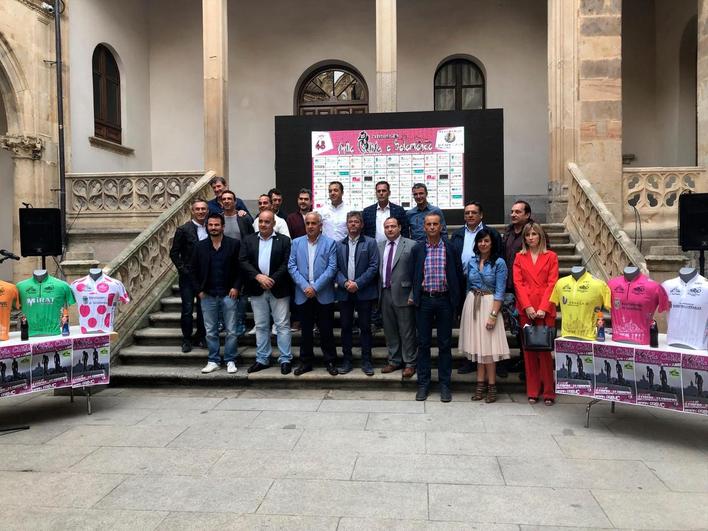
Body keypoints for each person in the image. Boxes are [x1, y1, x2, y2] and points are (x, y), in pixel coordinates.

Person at [409, 213, 464, 402]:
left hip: (444, 302)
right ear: (424, 227)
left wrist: (456, 301)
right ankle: (423, 384)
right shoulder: (417, 249)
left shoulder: (450, 247)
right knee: (423, 344)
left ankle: (445, 385)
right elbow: (413, 274)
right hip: (424, 301)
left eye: (435, 224)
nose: (432, 227)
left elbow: (458, 274)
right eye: (428, 224)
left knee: (445, 344)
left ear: (441, 227)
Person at [458, 229, 510, 403]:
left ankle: (492, 387)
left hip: (489, 305)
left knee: (489, 349)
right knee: (479, 349)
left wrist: (494, 315)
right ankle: (479, 386)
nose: (483, 244)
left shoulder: (499, 263)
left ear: (492, 243)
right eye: (480, 241)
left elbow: (500, 291)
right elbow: (468, 285)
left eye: (486, 241)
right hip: (473, 303)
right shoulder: (472, 261)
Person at [239, 210, 293, 374]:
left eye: (267, 222)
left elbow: (286, 263)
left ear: (274, 224)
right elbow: (242, 261)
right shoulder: (248, 240)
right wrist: (258, 277)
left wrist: (271, 279)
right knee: (261, 326)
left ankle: (285, 359)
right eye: (261, 221)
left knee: (282, 325)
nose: (263, 224)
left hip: (279, 288)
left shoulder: (284, 241)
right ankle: (262, 359)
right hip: (256, 288)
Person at [451, 201, 502, 375]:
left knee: (488, 331)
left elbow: (498, 260)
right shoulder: (457, 234)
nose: (470, 215)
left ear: (481, 215)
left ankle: (494, 363)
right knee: (471, 327)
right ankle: (470, 360)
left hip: (488, 288)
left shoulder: (492, 233)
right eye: (467, 213)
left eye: (473, 213)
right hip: (465, 283)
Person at [288, 212, 339, 376]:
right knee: (306, 332)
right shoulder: (296, 243)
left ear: (320, 225)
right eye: (308, 223)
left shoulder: (330, 243)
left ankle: (330, 361)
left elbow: (332, 269)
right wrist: (305, 287)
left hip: (323, 294)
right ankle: (305, 362)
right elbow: (292, 266)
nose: (310, 226)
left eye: (313, 223)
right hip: (303, 294)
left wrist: (315, 287)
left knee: (326, 331)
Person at [513, 223, 558, 406]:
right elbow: (518, 283)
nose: (531, 237)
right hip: (527, 310)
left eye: (534, 234)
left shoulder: (551, 256)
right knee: (529, 353)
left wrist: (543, 308)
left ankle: (548, 391)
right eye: (527, 235)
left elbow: (552, 282)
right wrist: (527, 307)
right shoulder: (519, 257)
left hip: (545, 310)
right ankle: (532, 390)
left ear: (540, 236)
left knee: (545, 353)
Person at [192, 212, 242, 374]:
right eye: (211, 225)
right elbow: (192, 271)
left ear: (223, 226)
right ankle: (213, 360)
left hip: (229, 293)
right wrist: (198, 290)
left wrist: (236, 287)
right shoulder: (200, 246)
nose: (213, 228)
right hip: (208, 294)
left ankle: (230, 360)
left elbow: (240, 268)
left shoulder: (234, 244)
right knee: (211, 331)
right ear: (207, 226)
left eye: (216, 225)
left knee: (232, 330)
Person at [335, 211, 379, 375]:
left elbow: (374, 266)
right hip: (344, 292)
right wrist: (345, 283)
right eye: (350, 222)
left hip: (364, 292)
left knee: (365, 328)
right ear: (346, 225)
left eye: (356, 222)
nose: (353, 224)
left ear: (361, 225)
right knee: (345, 327)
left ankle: (366, 361)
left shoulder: (370, 243)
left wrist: (357, 283)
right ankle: (347, 360)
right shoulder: (338, 244)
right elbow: (335, 268)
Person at [379, 216, 417, 377]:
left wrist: (413, 293)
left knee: (406, 330)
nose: (390, 229)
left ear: (400, 227)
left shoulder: (411, 245)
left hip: (404, 294)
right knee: (390, 330)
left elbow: (417, 272)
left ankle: (410, 362)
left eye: (393, 226)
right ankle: (394, 360)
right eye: (387, 227)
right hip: (385, 293)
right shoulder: (379, 246)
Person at [500, 199, 534, 378]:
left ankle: (528, 363)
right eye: (512, 211)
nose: (513, 214)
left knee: (527, 327)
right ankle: (522, 359)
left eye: (517, 212)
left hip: (528, 289)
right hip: (509, 287)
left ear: (527, 215)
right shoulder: (508, 232)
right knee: (515, 326)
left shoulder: (533, 233)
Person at [169, 198, 208, 353]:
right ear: (192, 211)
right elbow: (174, 253)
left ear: (207, 210)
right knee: (187, 308)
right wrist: (183, 269)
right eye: (197, 209)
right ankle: (186, 339)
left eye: (203, 209)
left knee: (203, 308)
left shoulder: (211, 227)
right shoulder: (183, 229)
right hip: (187, 278)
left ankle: (201, 336)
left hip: (205, 277)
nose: (200, 212)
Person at [221, 190, 254, 336]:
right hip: (222, 263)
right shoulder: (217, 219)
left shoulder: (244, 218)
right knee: (223, 294)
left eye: (230, 199)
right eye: (224, 199)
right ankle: (223, 322)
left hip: (242, 262)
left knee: (241, 295)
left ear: (235, 202)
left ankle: (240, 322)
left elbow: (252, 239)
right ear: (221, 202)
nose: (227, 201)